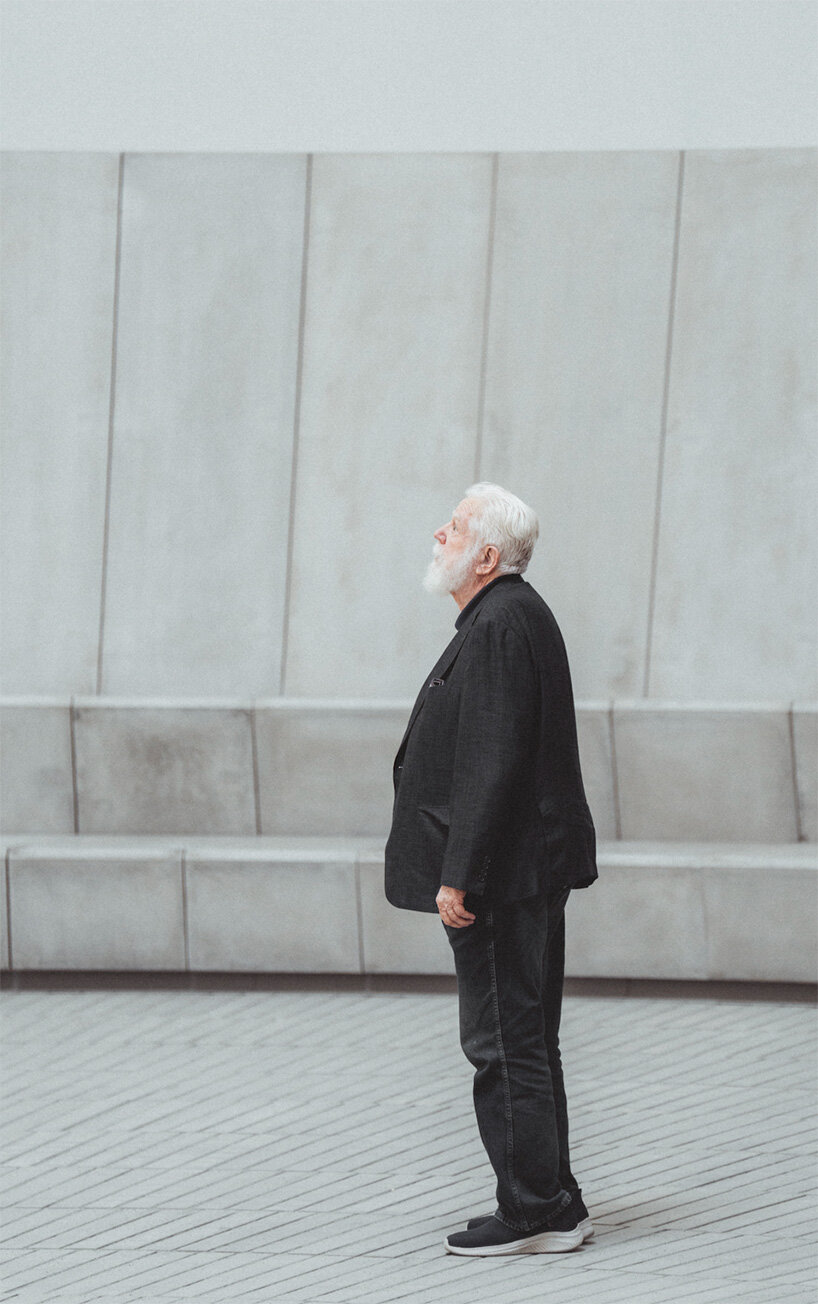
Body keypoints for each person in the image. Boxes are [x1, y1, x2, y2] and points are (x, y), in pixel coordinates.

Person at [384, 482, 598, 1257]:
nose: (437, 531)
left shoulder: (501, 623)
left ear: (485, 555)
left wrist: (458, 874)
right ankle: (554, 1197)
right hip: (521, 870)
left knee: (504, 1042)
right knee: (527, 1037)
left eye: (455, 526)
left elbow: (492, 760)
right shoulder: (510, 616)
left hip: (500, 879)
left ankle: (535, 1211)